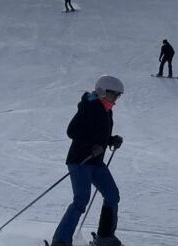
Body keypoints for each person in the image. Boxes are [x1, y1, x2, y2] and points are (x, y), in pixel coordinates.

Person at [51, 75, 125, 246]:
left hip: (96, 163)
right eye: (113, 95)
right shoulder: (89, 107)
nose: (115, 99)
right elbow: (72, 131)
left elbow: (99, 135)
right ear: (102, 92)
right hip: (80, 161)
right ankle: (60, 241)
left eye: (117, 96)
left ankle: (105, 236)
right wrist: (92, 145)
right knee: (81, 199)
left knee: (112, 195)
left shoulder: (107, 111)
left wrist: (111, 140)